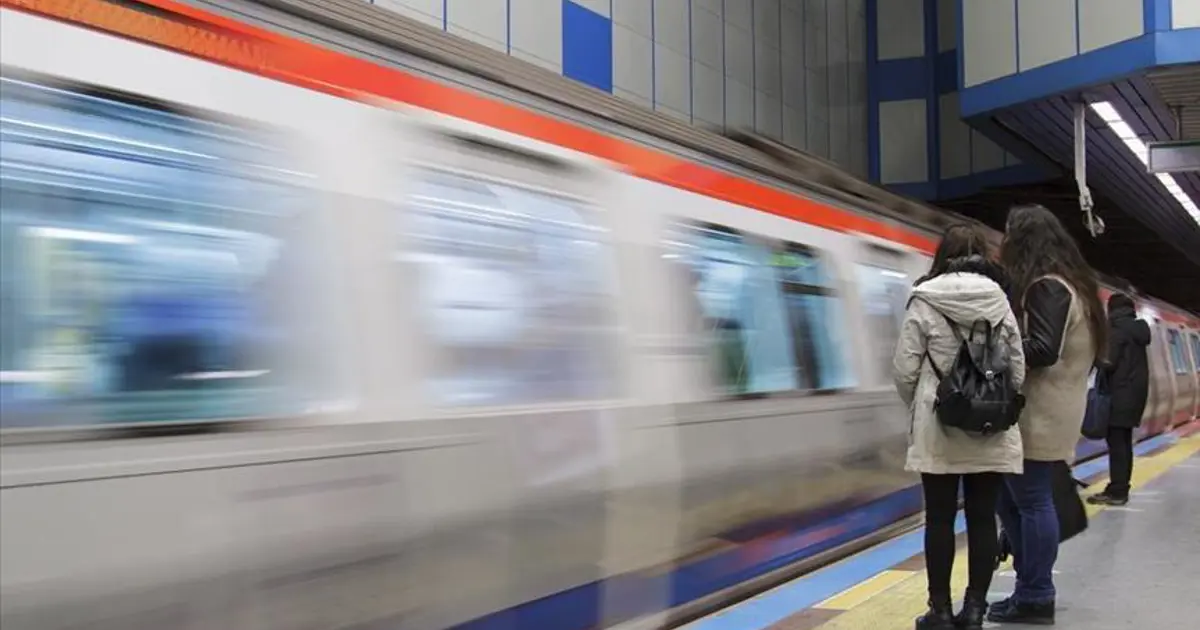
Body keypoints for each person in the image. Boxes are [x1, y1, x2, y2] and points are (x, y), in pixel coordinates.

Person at [893, 224, 1026, 630]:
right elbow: (1018, 370)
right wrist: (992, 402)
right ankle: (974, 610)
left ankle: (940, 611)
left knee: (939, 519)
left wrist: (924, 406)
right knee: (984, 518)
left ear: (942, 256)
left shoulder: (924, 299)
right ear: (983, 256)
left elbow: (904, 370)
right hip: (989, 428)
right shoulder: (1000, 301)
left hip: (939, 427)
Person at [989, 205, 1107, 625]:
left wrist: (995, 349)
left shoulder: (1048, 288)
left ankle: (1037, 594)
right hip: (1055, 408)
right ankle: (1029, 589)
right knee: (1016, 501)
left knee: (1031, 502)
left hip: (1040, 413)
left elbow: (1041, 349)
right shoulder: (1074, 285)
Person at [1089, 292, 1151, 506]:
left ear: (1111, 309)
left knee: (1117, 444)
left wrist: (1093, 357)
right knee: (1124, 443)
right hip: (1133, 396)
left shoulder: (1118, 330)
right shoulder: (1137, 330)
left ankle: (1117, 491)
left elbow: (1108, 361)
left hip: (1119, 395)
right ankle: (1120, 487)